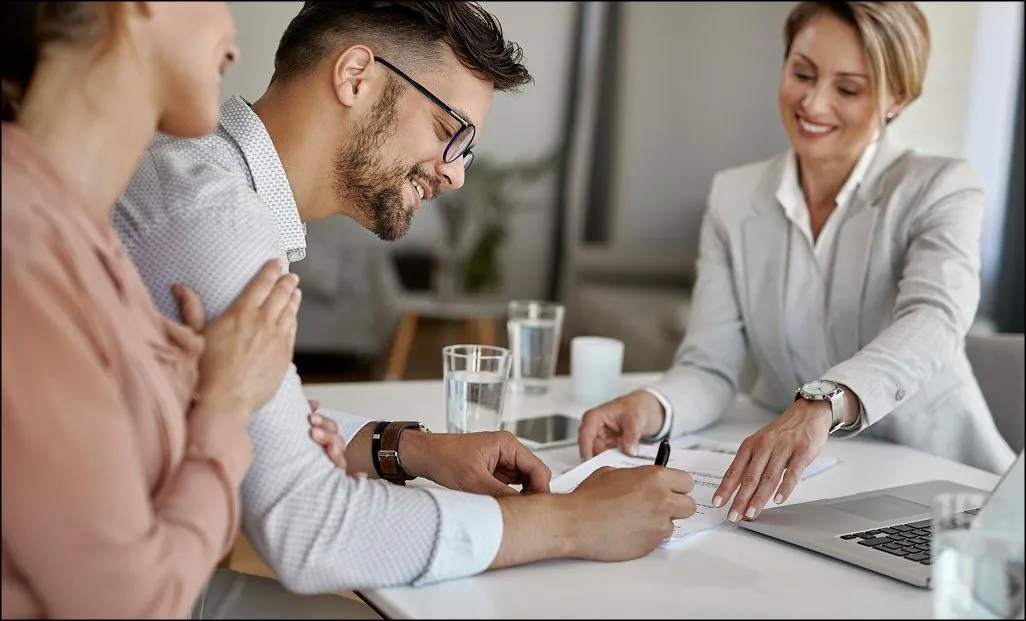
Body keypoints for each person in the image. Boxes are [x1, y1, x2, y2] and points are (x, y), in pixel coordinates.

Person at [112, 0, 698, 609]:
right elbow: (308, 526)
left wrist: (405, 446)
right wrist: (572, 521)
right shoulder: (217, 222)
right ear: (356, 76)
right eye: (451, 133)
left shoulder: (212, 184)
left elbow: (261, 421)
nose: (456, 176)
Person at [578, 0, 1015, 525]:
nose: (813, 102)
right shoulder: (734, 196)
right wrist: (651, 405)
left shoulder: (940, 187)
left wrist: (822, 402)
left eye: (848, 89)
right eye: (802, 73)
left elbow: (935, 317)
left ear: (897, 97)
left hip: (943, 488)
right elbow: (710, 367)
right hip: (804, 488)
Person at [0, 2, 313, 618]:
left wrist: (197, 390)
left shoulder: (81, 233)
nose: (234, 43)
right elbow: (133, 606)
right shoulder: (26, 250)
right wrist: (227, 406)